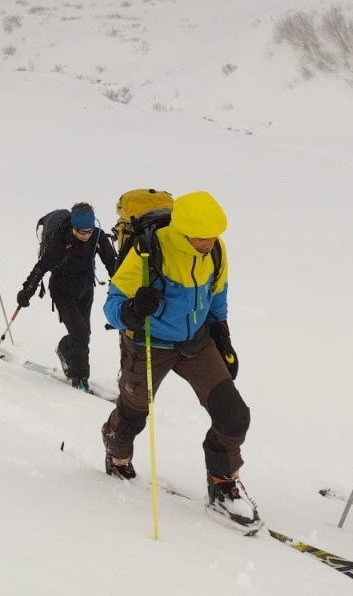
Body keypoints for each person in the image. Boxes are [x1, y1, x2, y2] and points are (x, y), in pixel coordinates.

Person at [100, 190, 253, 520]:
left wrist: (222, 338)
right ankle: (117, 452)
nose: (210, 244)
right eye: (203, 239)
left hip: (196, 343)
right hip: (149, 343)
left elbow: (217, 295)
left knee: (234, 413)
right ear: (183, 232)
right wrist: (132, 308)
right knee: (133, 414)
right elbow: (111, 307)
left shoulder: (215, 251)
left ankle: (223, 481)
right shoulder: (148, 251)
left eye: (214, 237)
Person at [16, 202, 118, 391]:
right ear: (73, 228)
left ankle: (65, 349)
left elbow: (112, 264)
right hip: (62, 291)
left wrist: (123, 287)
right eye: (81, 232)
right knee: (81, 334)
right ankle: (79, 377)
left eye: (88, 231)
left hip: (86, 290)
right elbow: (42, 267)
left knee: (83, 334)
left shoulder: (97, 236)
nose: (85, 236)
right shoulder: (62, 240)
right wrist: (27, 290)